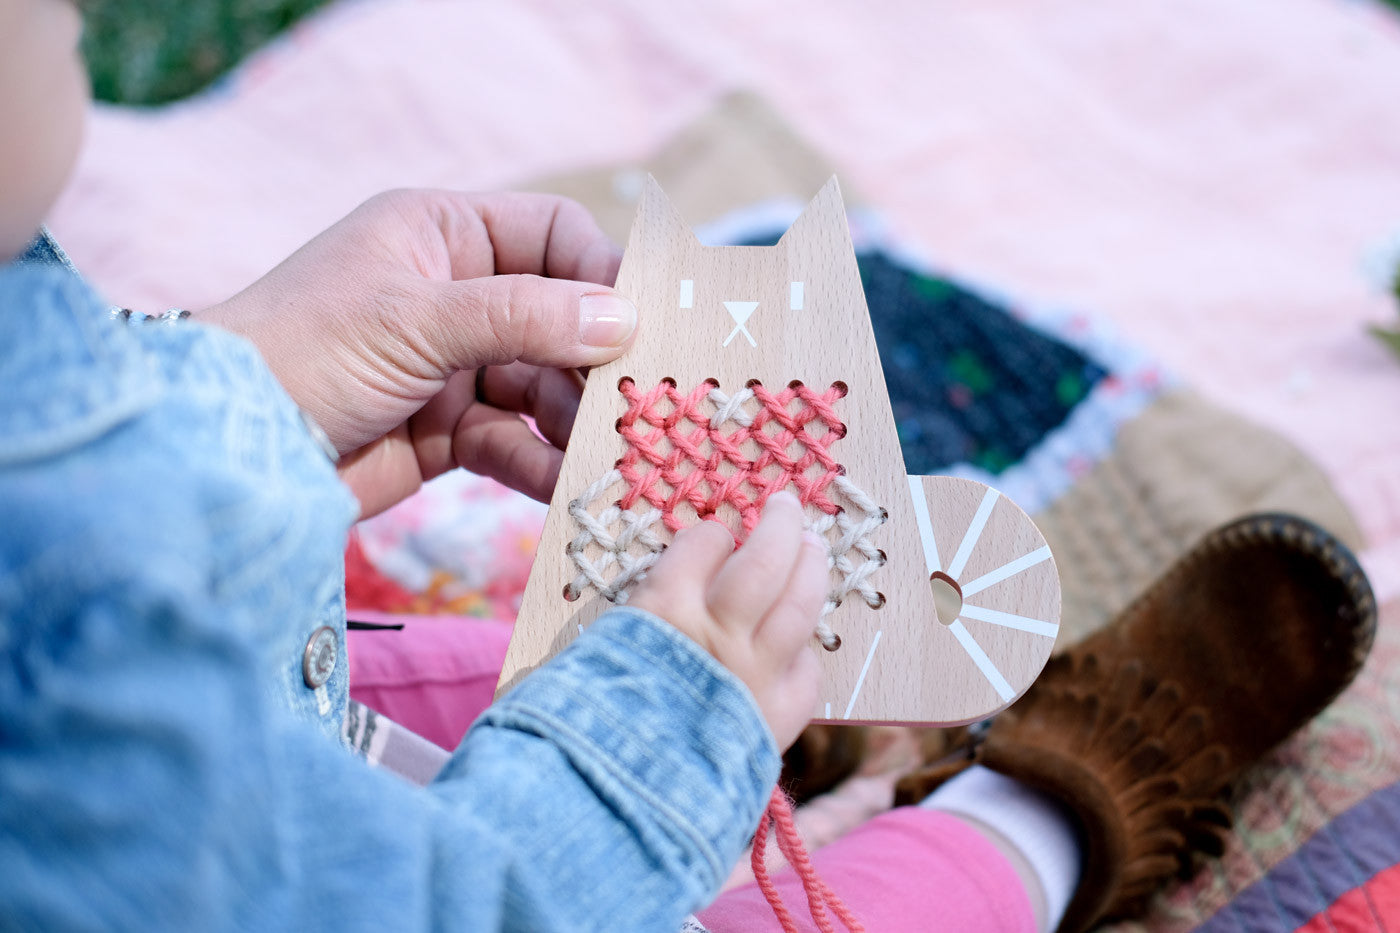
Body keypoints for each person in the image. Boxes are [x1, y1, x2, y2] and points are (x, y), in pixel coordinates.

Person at [0, 1, 1378, 931]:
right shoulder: (83, 716)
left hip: (240, 751)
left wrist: (237, 397)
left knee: (495, 673)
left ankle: (786, 707)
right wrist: (662, 721)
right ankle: (1049, 803)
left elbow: (56, 521)